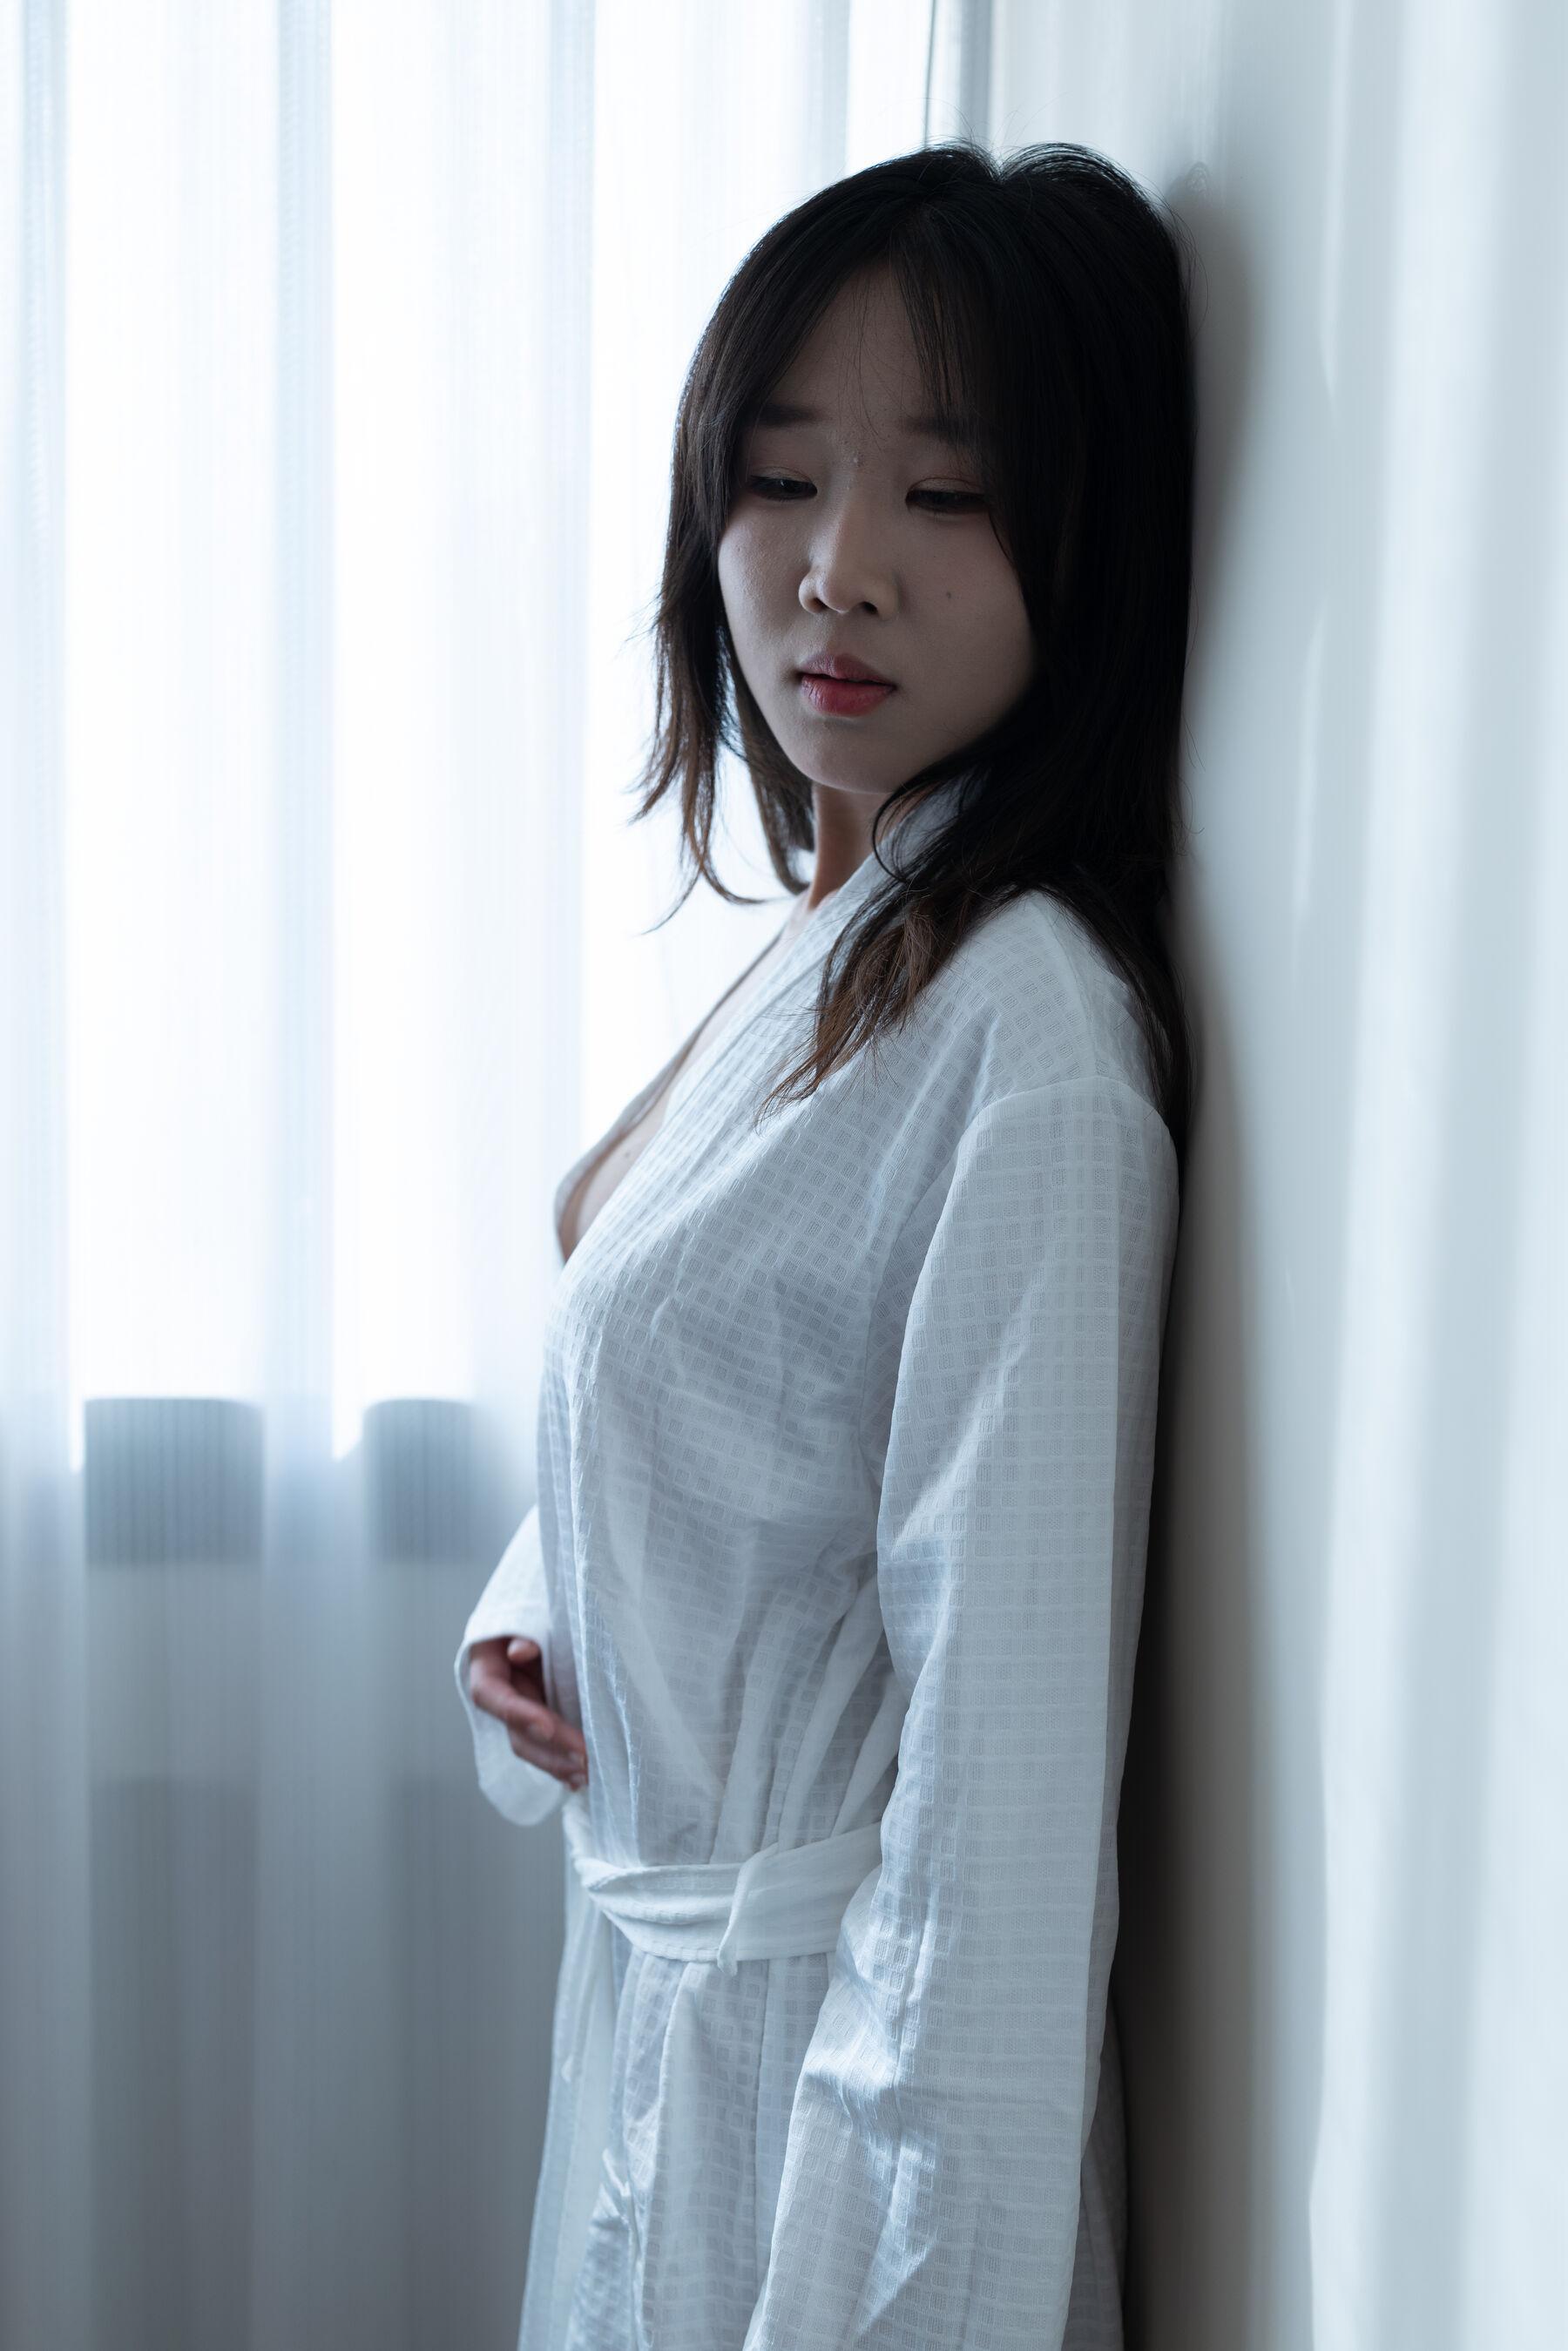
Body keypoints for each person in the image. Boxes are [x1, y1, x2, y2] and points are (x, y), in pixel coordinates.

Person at [455, 138, 1195, 2351]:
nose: (837, 569)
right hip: (669, 2039)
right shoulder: (853, 937)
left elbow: (994, 1850)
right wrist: (547, 1613)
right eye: (781, 480)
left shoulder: (1030, 1048)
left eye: (944, 495)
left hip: (818, 2134)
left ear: (1090, 535)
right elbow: (727, 1367)